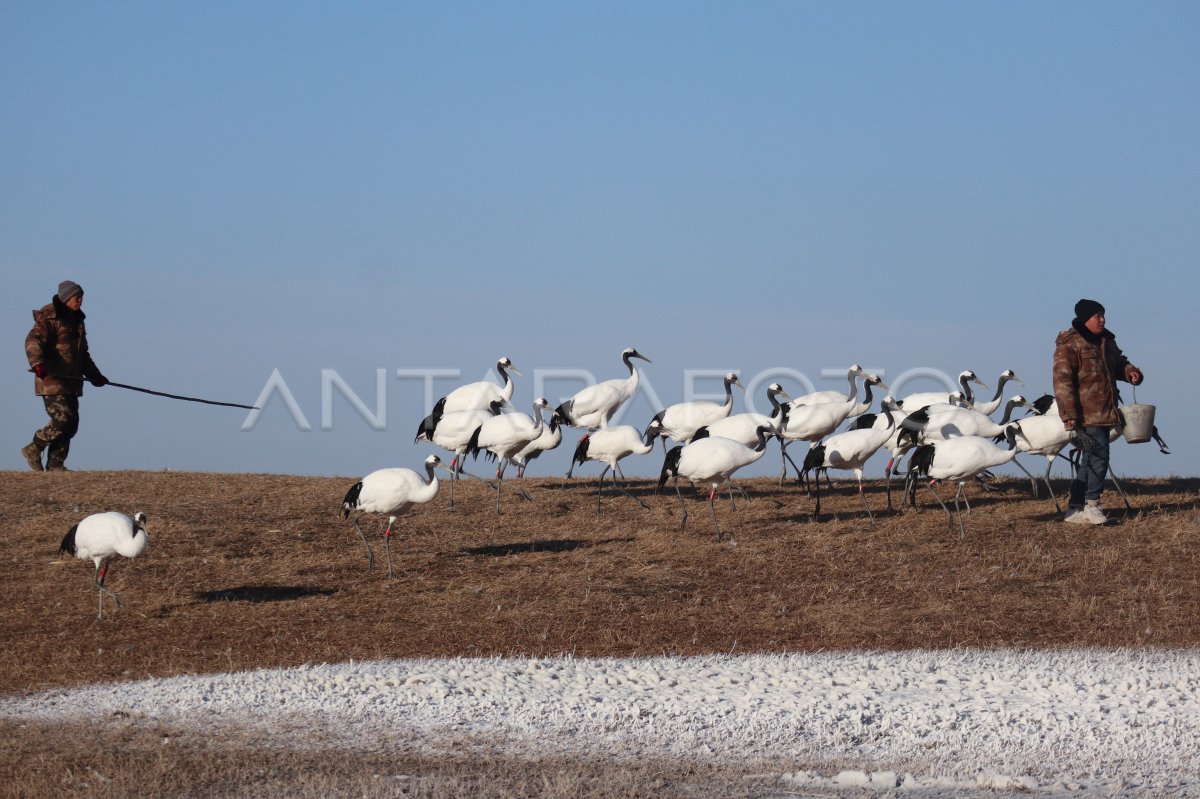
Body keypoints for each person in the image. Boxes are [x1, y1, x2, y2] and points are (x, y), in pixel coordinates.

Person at [1052, 298, 1143, 524]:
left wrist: (1130, 371)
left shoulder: (1106, 341)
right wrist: (1070, 418)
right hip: (1085, 413)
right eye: (1097, 316)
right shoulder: (1070, 344)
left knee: (1091, 458)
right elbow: (1062, 384)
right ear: (1085, 319)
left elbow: (1118, 362)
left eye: (1103, 315)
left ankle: (1075, 509)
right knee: (1100, 456)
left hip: (1105, 410)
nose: (1102, 320)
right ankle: (1092, 505)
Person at [22, 281, 108, 471]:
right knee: (62, 419)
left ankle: (55, 464)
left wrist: (95, 376)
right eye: (78, 297)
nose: (81, 300)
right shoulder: (50, 317)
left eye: (82, 297)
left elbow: (82, 354)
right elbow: (32, 341)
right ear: (67, 298)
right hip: (51, 379)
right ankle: (34, 447)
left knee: (71, 424)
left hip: (72, 381)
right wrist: (37, 364)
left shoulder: (77, 321)